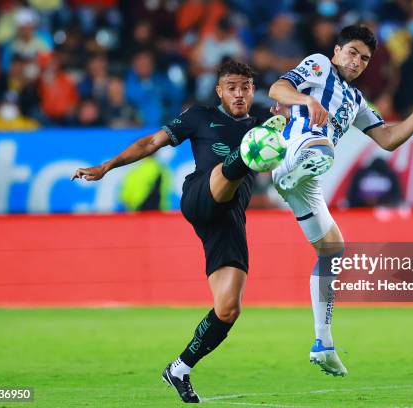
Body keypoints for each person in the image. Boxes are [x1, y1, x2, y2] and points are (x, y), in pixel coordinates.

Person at [71, 60, 286, 403]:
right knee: (240, 160)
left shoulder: (265, 120)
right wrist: (107, 166)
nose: (239, 93)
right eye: (231, 86)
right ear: (219, 90)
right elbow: (151, 142)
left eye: (245, 87)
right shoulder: (201, 116)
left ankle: (180, 368)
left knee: (228, 308)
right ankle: (244, 156)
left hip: (230, 218)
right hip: (201, 195)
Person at [268, 24, 413, 376]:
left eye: (364, 59)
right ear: (337, 51)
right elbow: (278, 87)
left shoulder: (356, 102)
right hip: (296, 149)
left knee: (333, 249)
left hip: (308, 180)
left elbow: (386, 139)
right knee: (321, 146)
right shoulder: (319, 65)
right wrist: (305, 99)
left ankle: (323, 343)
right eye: (352, 52)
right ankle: (286, 170)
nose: (356, 62)